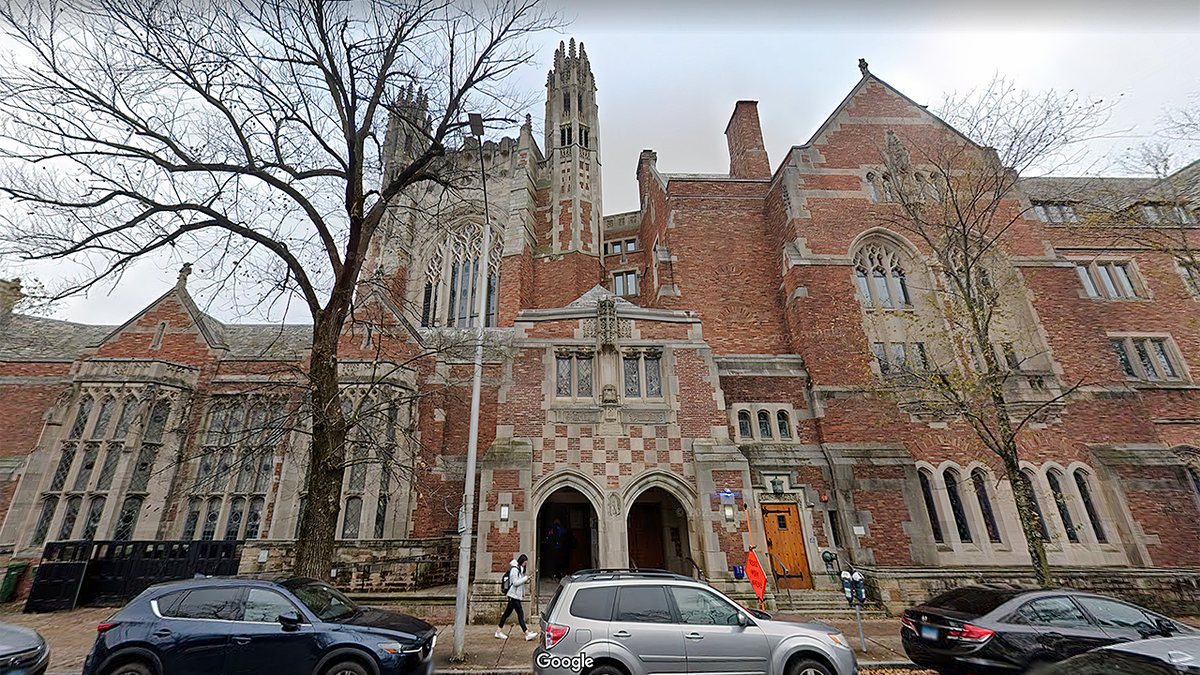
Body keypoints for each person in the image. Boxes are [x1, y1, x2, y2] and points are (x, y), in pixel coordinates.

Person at [496, 553, 537, 640]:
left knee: (507, 614)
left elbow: (518, 582)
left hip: (514, 595)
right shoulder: (514, 570)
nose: (525, 565)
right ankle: (526, 633)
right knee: (520, 614)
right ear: (522, 561)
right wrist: (525, 579)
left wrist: (525, 580)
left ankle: (498, 632)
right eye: (525, 563)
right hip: (513, 595)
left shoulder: (518, 569)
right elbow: (515, 583)